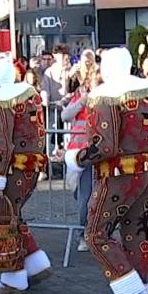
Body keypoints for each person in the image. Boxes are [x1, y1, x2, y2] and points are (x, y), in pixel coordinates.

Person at [64, 47, 148, 294]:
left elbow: (104, 146)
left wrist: (76, 157)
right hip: (147, 172)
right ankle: (136, 293)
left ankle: (133, 292)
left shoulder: (104, 96)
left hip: (117, 174)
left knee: (96, 233)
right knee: (136, 232)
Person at [0, 58, 53, 294]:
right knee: (13, 214)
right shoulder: (29, 97)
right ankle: (35, 262)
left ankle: (14, 276)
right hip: (29, 165)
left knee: (2, 216)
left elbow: (2, 144)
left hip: (10, 168)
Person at [61, 64, 100, 252]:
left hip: (93, 154)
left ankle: (85, 234)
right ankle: (88, 228)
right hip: (75, 153)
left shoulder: (105, 100)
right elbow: (65, 115)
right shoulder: (80, 97)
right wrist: (81, 102)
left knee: (86, 195)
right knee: (77, 192)